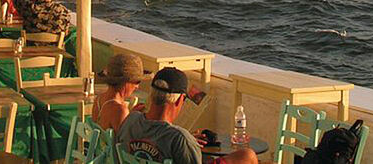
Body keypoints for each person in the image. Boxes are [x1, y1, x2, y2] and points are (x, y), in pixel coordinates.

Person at [117, 67, 257, 164]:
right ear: (179, 100)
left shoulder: (131, 120)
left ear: (152, 95)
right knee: (247, 155)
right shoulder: (180, 139)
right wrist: (186, 142)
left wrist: (187, 139)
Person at [92, 54, 145, 132]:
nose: (137, 86)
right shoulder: (120, 110)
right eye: (137, 81)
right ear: (126, 82)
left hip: (99, 144)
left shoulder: (98, 99)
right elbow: (126, 140)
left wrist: (131, 114)